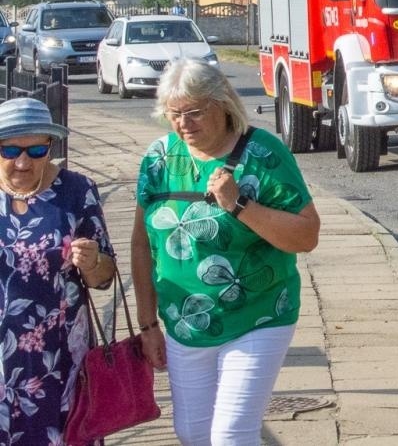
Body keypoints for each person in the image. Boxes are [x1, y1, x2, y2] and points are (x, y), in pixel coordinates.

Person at [132, 60, 320, 446]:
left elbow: (306, 235)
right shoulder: (158, 159)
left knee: (231, 436)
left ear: (223, 103)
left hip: (259, 314)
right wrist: (148, 324)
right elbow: (140, 243)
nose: (184, 123)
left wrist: (239, 205)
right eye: (175, 113)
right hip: (185, 324)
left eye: (195, 111)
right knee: (193, 433)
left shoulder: (263, 153)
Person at [0, 96, 117, 444]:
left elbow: (104, 279)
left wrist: (93, 261)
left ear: (50, 146)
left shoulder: (76, 191)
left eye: (36, 151)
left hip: (59, 356)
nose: (23, 162)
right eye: (10, 151)